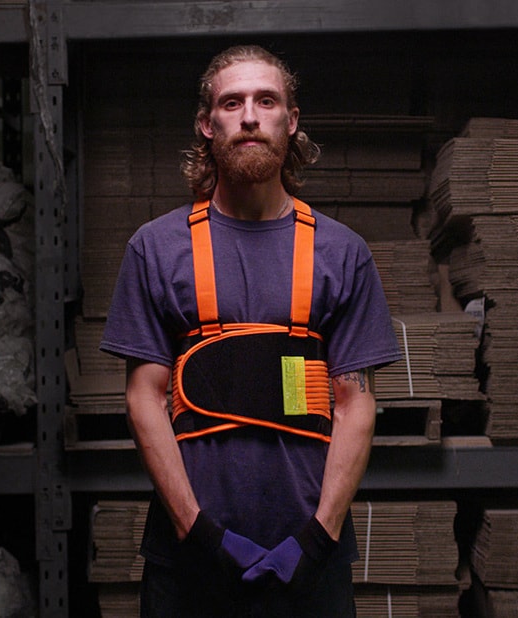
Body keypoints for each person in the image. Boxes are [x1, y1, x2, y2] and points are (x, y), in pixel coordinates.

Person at [99, 44, 401, 617]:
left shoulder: (342, 253)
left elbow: (354, 404)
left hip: (312, 557)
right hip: (188, 554)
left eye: (267, 100)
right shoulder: (156, 249)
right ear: (207, 125)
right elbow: (146, 398)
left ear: (291, 122)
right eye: (231, 102)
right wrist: (199, 533)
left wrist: (319, 537)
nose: (249, 115)